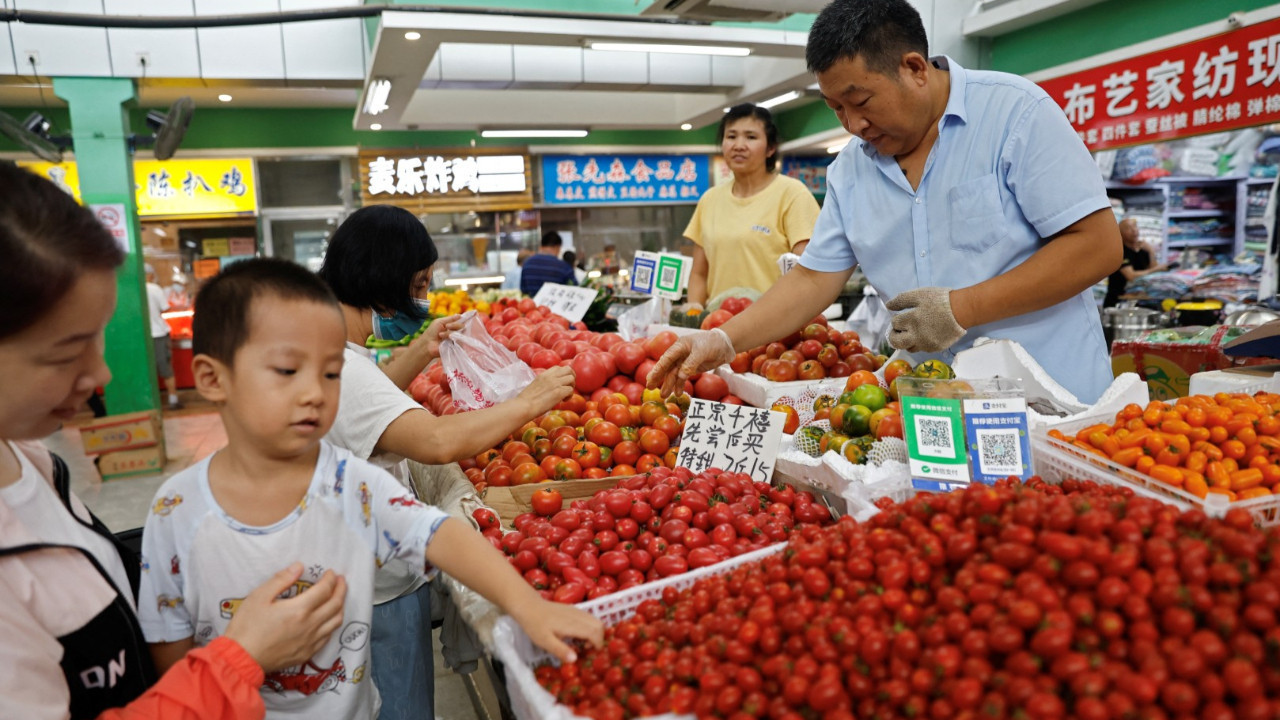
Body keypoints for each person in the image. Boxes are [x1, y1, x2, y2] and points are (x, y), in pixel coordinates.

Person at [136, 258, 601, 720]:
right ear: (213, 378)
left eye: (331, 373)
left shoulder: (349, 481)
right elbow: (169, 646)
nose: (315, 393)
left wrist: (527, 608)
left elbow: (440, 534)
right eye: (286, 371)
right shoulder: (176, 511)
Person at [0, 161, 349, 720]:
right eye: (66, 352)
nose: (102, 376)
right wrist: (241, 657)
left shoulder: (30, 460)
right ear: (216, 379)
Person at [648, 0, 1121, 404]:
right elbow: (813, 279)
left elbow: (1097, 246)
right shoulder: (851, 170)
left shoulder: (1015, 114)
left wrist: (963, 308)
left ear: (914, 68)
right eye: (836, 109)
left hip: (1052, 400)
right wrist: (725, 339)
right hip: (930, 409)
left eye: (862, 101)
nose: (853, 125)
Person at [316, 205, 579, 719]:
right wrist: (529, 401)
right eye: (416, 285)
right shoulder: (339, 365)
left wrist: (421, 350)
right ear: (380, 279)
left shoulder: (334, 349)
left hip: (357, 576)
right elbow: (436, 441)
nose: (422, 298)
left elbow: (367, 415)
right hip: (374, 594)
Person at [682, 103, 822, 313]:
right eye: (731, 136)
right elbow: (700, 273)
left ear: (770, 148)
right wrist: (694, 311)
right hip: (719, 325)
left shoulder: (792, 193)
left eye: (751, 137)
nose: (739, 145)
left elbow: (806, 271)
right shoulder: (709, 199)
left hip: (775, 326)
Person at [1104, 217, 1167, 307]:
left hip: (1138, 301)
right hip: (1118, 301)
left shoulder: (1143, 251)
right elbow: (1131, 276)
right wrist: (1157, 269)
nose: (1134, 230)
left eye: (1135, 227)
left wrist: (1151, 252)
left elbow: (1153, 275)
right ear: (1120, 233)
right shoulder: (1120, 251)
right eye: (1128, 228)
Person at [146, 264, 183, 410]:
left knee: (148, 369)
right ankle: (173, 400)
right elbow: (165, 308)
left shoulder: (132, 289)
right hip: (158, 334)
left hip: (142, 336)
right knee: (165, 368)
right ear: (149, 275)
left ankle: (151, 403)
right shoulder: (154, 289)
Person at [520, 231, 577, 297]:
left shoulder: (527, 264)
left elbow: (523, 291)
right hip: (556, 306)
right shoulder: (564, 267)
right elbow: (574, 291)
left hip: (532, 306)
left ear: (542, 246)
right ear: (557, 247)